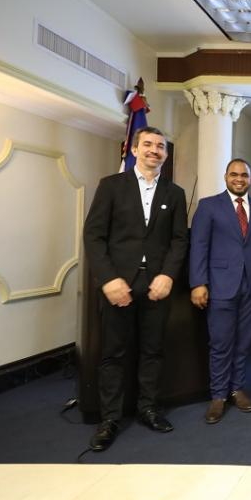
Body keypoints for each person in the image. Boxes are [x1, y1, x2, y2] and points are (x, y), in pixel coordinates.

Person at [82, 126, 188, 452]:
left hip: (156, 285)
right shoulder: (111, 186)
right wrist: (108, 279)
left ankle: (147, 408)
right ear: (134, 149)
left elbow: (179, 240)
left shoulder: (174, 193)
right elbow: (94, 235)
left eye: (160, 146)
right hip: (118, 284)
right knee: (113, 353)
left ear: (165, 155)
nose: (154, 150)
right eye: (148, 145)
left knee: (152, 351)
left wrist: (168, 275)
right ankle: (110, 418)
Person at [189, 159, 251, 424]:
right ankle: (218, 396)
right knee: (220, 343)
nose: (239, 179)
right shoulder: (208, 206)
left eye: (244, 175)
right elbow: (199, 247)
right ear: (226, 176)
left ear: (250, 179)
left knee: (243, 343)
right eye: (234, 174)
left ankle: (237, 389)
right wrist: (198, 283)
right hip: (219, 286)